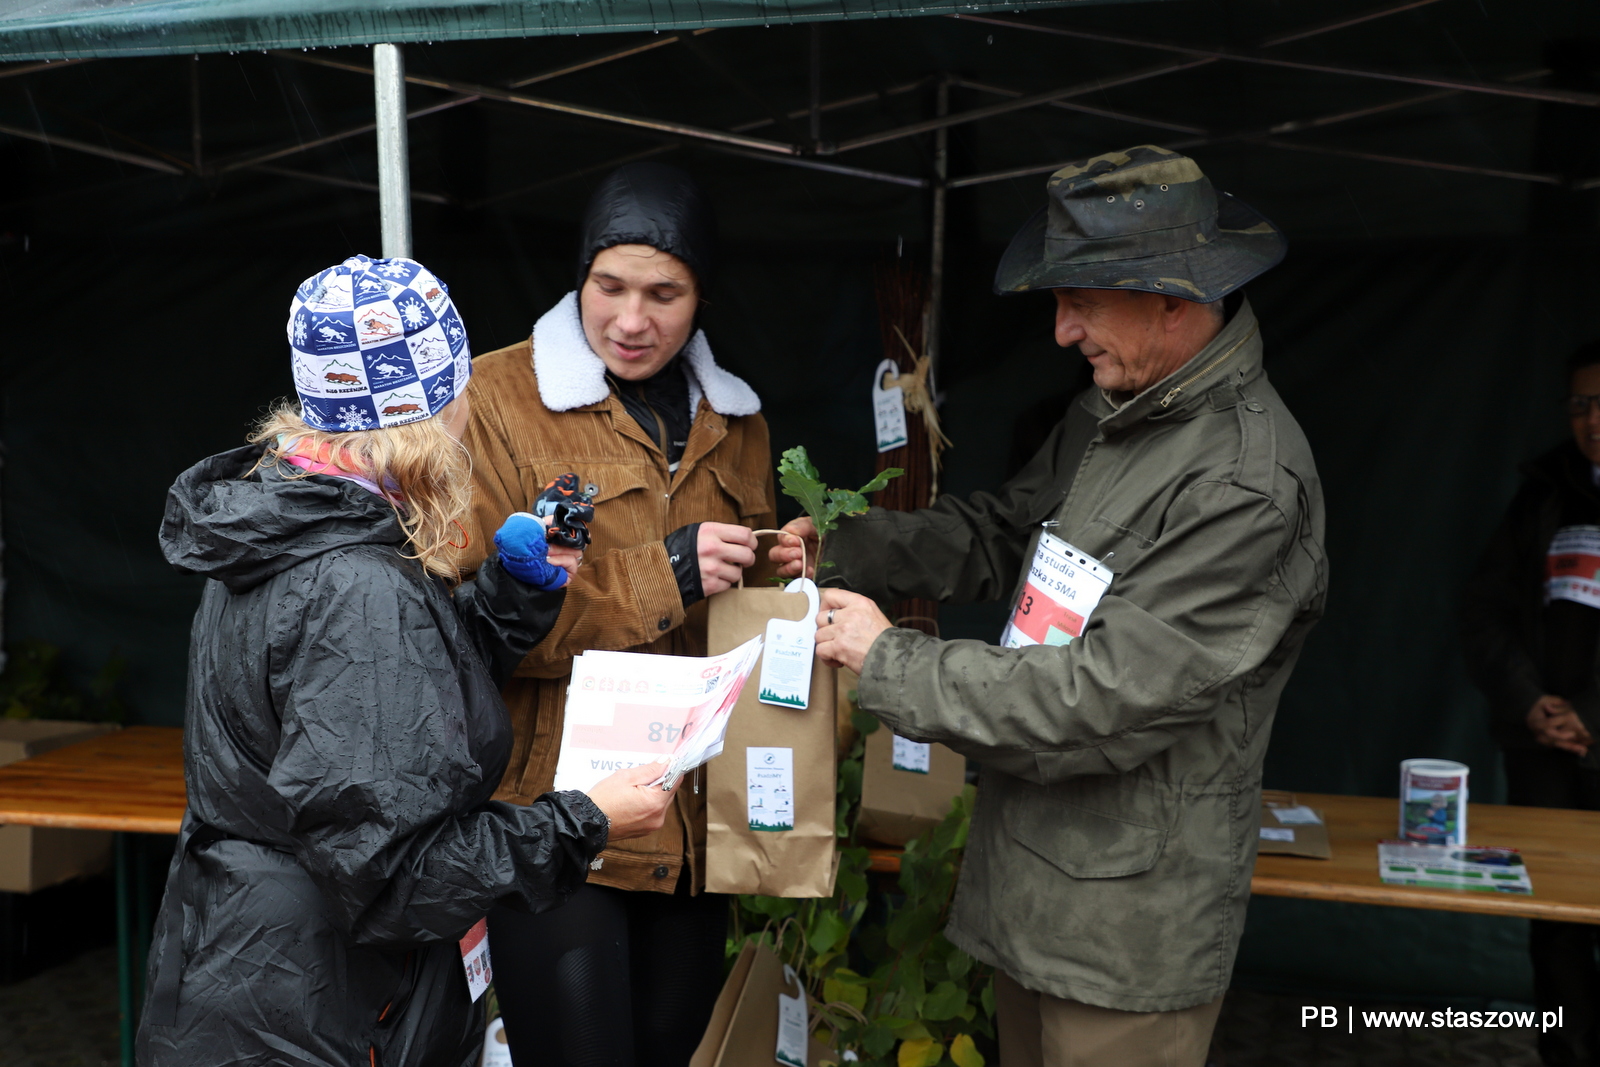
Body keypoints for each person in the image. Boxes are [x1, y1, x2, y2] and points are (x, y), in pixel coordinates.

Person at [773, 145, 1327, 1067]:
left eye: (1081, 301)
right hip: (1031, 889)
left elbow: (1105, 695)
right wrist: (846, 546)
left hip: (1123, 937)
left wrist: (890, 661)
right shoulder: (1122, 410)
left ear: (1172, 297)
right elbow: (1009, 532)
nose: (1062, 331)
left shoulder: (1244, 484)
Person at [137, 254, 679, 1067]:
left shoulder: (286, 519)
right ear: (435, 406)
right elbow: (397, 880)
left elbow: (382, 712)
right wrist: (585, 819)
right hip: (319, 1016)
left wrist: (510, 597)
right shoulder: (357, 585)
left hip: (249, 970)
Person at [455, 162, 776, 1067]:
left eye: (664, 293)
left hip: (687, 820)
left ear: (703, 294)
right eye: (610, 286)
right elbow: (474, 625)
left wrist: (772, 564)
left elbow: (733, 615)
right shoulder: (498, 401)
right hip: (556, 817)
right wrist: (665, 572)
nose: (632, 320)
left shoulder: (736, 418)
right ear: (578, 279)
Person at [1461, 340, 1600, 1067]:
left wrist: (1592, 715)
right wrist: (1532, 702)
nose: (1594, 419)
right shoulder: (1544, 491)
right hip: (1542, 749)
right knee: (1555, 924)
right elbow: (1484, 613)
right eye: (1581, 403)